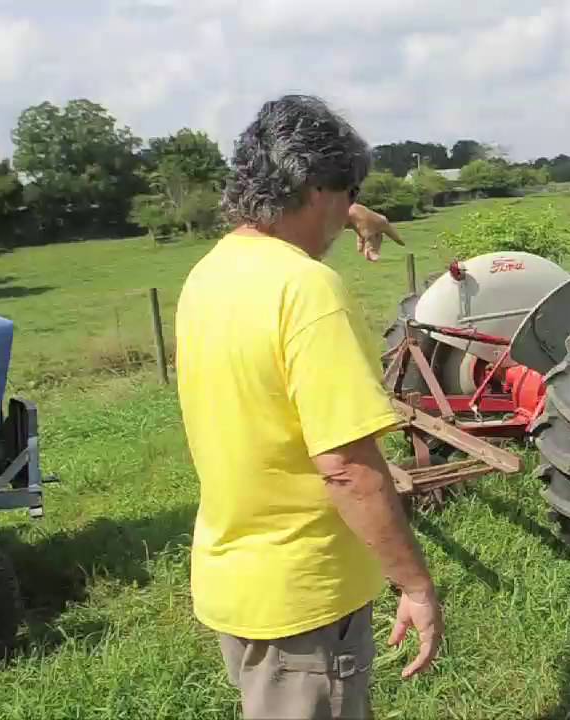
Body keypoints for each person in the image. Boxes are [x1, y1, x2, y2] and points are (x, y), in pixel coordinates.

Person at [174, 94, 443, 720]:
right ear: (319, 189)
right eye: (347, 193)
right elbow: (347, 466)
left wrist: (355, 213)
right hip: (306, 603)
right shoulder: (307, 291)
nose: (350, 211)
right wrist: (415, 584)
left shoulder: (212, 273)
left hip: (238, 582)